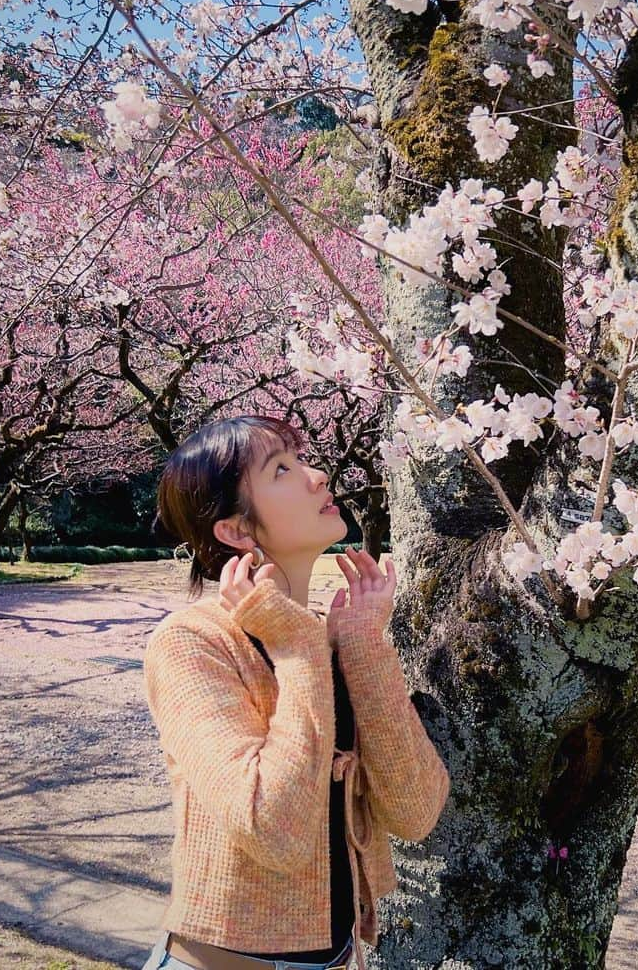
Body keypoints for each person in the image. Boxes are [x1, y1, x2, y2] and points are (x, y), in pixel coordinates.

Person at [141, 415, 450, 970]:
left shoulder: (328, 641)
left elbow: (416, 810)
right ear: (236, 531)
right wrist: (300, 648)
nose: (319, 476)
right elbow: (273, 831)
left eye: (302, 459)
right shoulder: (193, 643)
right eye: (282, 469)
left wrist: (361, 645)